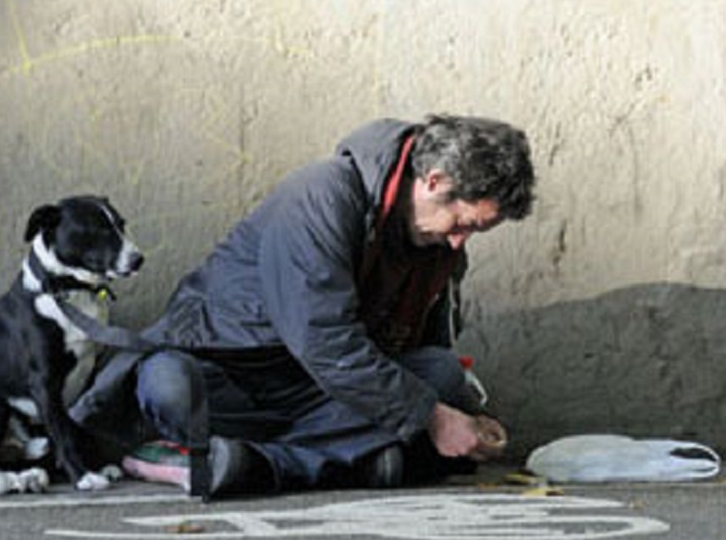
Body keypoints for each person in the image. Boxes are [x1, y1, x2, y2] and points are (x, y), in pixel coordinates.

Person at [73, 114, 536, 496]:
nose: (460, 240)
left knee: (441, 374)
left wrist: (462, 415)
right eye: (463, 223)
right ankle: (348, 459)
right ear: (434, 181)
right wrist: (430, 419)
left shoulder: (439, 247)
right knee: (170, 384)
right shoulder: (322, 197)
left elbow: (424, 351)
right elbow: (325, 343)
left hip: (319, 392)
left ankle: (238, 463)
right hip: (229, 373)